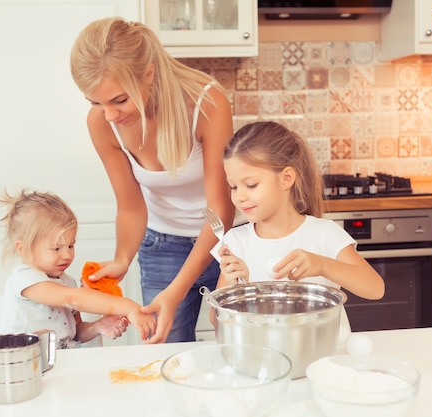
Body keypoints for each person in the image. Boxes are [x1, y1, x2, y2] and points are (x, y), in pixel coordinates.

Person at [69, 17, 235, 343]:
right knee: (165, 354)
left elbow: (221, 212)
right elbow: (131, 207)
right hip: (163, 245)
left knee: (235, 344)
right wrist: (122, 258)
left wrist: (176, 291)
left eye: (119, 100)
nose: (109, 115)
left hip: (228, 243)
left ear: (148, 74)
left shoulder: (206, 103)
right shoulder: (103, 123)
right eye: (96, 103)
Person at [212, 121, 384, 327]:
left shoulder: (323, 234)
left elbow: (375, 288)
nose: (239, 196)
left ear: (286, 178)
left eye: (251, 185)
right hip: (265, 355)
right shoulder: (235, 243)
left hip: (324, 353)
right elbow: (216, 321)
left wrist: (323, 265)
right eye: (233, 186)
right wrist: (234, 290)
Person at [0, 189, 156, 349]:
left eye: (71, 245)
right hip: (25, 367)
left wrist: (98, 326)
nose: (67, 255)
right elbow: (72, 299)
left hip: (62, 363)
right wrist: (128, 307)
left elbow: (75, 333)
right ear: (23, 248)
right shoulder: (24, 279)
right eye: (56, 248)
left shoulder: (68, 282)